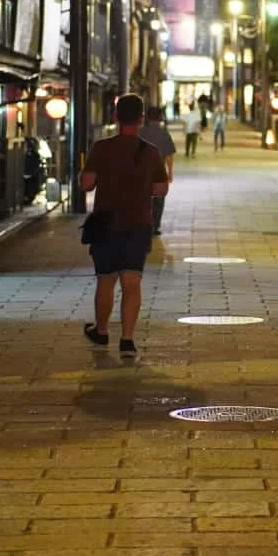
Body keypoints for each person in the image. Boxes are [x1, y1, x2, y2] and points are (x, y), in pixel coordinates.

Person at [79, 93, 168, 358]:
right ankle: (127, 340)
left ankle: (102, 331)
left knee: (105, 281)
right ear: (141, 119)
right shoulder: (151, 152)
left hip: (106, 224)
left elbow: (86, 185)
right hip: (138, 224)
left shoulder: (102, 148)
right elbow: (161, 190)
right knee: (132, 282)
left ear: (116, 117)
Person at [137, 104, 176, 235]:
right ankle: (155, 226)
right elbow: (169, 155)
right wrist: (170, 173)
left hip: (142, 172)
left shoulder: (140, 132)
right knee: (158, 200)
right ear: (160, 117)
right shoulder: (164, 133)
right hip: (159, 171)